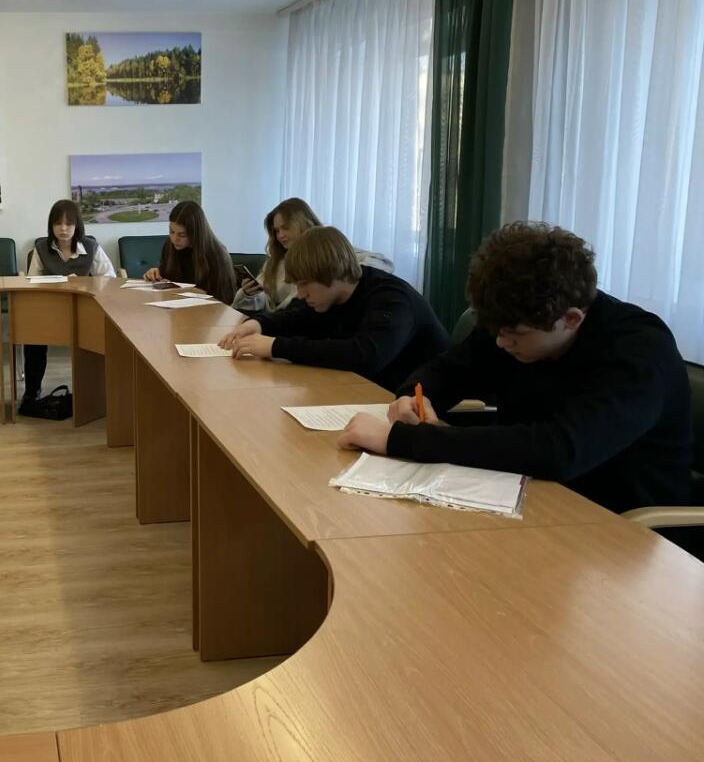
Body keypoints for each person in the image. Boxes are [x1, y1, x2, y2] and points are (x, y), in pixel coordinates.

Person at [337, 222, 696, 522]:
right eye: (495, 330)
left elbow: (559, 450)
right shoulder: (514, 318)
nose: (500, 343)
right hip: (527, 497)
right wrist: (414, 396)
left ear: (571, 319)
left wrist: (400, 440)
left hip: (623, 527)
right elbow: (448, 368)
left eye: (514, 335)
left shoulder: (640, 352)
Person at [219, 226, 448, 390]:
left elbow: (365, 356)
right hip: (366, 393)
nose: (300, 294)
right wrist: (258, 324)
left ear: (332, 274)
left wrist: (276, 346)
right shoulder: (329, 295)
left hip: (421, 408)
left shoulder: (392, 299)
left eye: (304, 284)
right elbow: (295, 317)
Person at [20, 200, 117, 415]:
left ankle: (92, 393)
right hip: (51, 310)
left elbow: (109, 279)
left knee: (96, 334)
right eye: (57, 224)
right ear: (51, 226)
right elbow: (32, 281)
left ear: (77, 226)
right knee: (33, 336)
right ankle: (32, 393)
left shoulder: (91, 247)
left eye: (68, 224)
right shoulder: (41, 249)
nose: (63, 229)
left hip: (84, 310)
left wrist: (83, 283)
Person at [233, 198, 395, 313]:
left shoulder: (330, 251)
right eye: (276, 231)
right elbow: (266, 302)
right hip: (280, 325)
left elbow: (379, 262)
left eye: (286, 228)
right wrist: (250, 294)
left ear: (304, 222)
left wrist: (334, 272)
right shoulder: (274, 262)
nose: (280, 235)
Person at [142, 200, 237, 303]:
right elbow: (167, 280)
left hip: (209, 309)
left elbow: (224, 300)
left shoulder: (217, 254)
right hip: (176, 307)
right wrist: (156, 275)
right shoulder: (170, 245)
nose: (174, 239)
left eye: (182, 235)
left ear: (196, 233)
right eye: (171, 231)